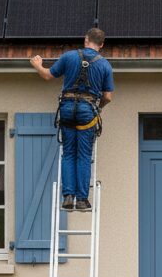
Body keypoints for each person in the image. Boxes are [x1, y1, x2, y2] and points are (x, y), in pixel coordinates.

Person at [30, 28, 115, 211]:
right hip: (88, 111)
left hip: (67, 109)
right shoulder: (105, 65)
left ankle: (68, 197)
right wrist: (98, 108)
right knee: (83, 155)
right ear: (101, 45)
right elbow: (108, 97)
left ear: (85, 40)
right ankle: (82, 200)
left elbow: (47, 75)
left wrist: (37, 64)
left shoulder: (69, 57)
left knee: (69, 153)